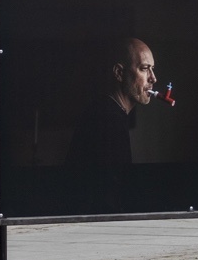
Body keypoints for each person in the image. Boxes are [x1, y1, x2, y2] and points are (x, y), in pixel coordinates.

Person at [67, 36, 156, 171]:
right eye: (144, 68)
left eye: (153, 68)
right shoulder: (107, 121)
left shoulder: (107, 112)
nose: (153, 78)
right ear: (119, 72)